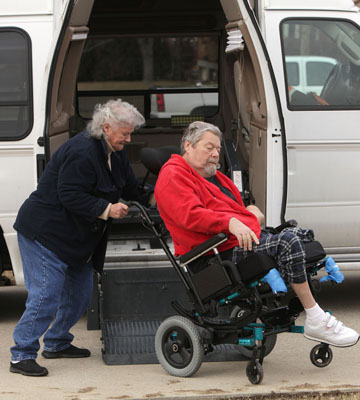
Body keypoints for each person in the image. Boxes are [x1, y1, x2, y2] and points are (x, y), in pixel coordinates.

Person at [155, 121, 359, 349]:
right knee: (288, 242)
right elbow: (191, 215)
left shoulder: (217, 178)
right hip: (214, 254)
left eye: (218, 149)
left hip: (240, 241)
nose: (215, 154)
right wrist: (231, 222)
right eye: (209, 147)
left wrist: (248, 212)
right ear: (188, 146)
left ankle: (304, 309)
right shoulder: (173, 175)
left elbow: (235, 209)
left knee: (301, 237)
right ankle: (315, 317)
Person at [10, 99, 149, 377]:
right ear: (107, 127)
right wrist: (107, 209)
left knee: (80, 294)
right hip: (45, 233)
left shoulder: (116, 151)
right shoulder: (82, 151)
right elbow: (69, 195)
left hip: (74, 239)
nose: (129, 138)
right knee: (46, 294)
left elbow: (132, 188)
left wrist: (158, 196)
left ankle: (57, 343)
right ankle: (21, 354)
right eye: (125, 132)